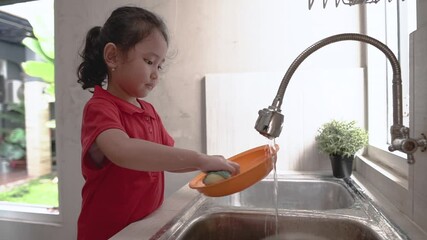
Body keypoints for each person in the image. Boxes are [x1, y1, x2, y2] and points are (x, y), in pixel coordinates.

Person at [76, 6, 240, 240]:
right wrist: (198, 158)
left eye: (159, 65)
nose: (156, 74)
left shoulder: (149, 111)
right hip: (107, 234)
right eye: (149, 61)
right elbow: (122, 151)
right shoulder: (100, 108)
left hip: (141, 230)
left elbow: (167, 159)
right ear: (112, 56)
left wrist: (206, 163)